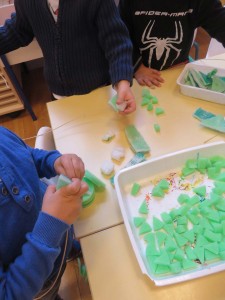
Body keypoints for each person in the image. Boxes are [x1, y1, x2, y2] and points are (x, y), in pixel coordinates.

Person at [0, 0, 136, 114]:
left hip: (97, 88)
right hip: (58, 93)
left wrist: (122, 80)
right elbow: (19, 29)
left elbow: (116, 41)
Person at [0, 126, 88, 299]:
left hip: (60, 232)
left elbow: (26, 155)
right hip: (37, 280)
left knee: (67, 242)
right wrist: (52, 225)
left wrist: (54, 161)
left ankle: (71, 248)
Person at [118, 0, 225, 88]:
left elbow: (220, 24)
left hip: (176, 69)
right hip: (134, 71)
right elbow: (120, 36)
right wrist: (137, 67)